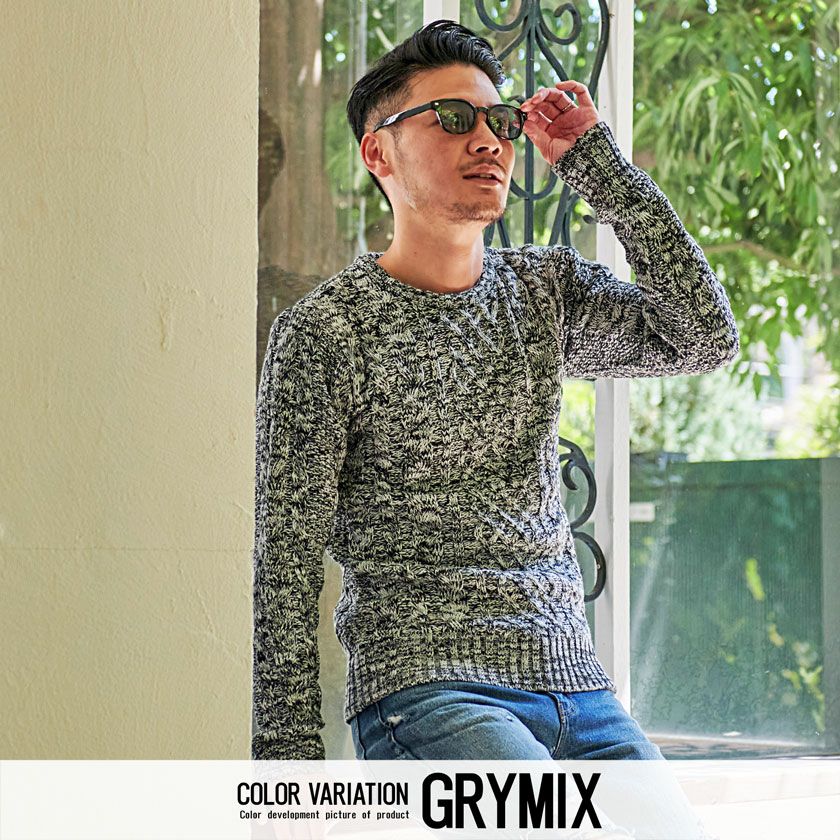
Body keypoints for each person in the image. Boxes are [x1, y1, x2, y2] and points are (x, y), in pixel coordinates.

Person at [251, 19, 739, 766]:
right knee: (547, 818)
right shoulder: (326, 332)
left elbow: (703, 336)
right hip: (427, 695)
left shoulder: (543, 292)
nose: (488, 140)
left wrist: (597, 165)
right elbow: (284, 564)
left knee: (670, 823)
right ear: (378, 152)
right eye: (452, 118)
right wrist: (286, 777)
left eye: (500, 121)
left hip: (580, 692)